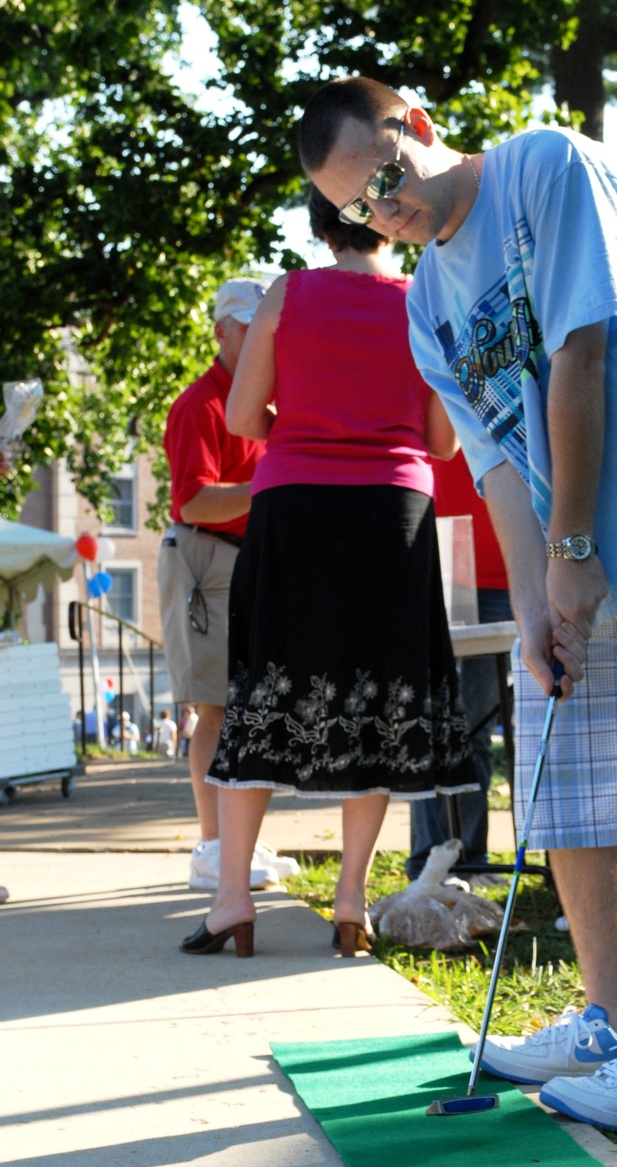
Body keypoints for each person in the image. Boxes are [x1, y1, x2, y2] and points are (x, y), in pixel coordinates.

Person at [300, 77, 617, 1129]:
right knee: (559, 768)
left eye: (386, 181)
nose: (383, 213)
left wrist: (571, 546)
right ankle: (607, 1020)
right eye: (358, 209)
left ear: (420, 127)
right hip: (588, 557)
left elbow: (578, 357)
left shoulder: (546, 170)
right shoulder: (428, 303)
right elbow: (493, 465)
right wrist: (536, 601)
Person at [180, 188, 475, 960]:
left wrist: (306, 433)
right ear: (389, 219)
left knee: (263, 687)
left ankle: (233, 899)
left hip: (294, 508)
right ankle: (351, 905)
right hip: (393, 514)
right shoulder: (423, 303)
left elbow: (245, 419)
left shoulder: (289, 294)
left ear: (319, 227)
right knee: (378, 697)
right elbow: (443, 443)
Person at [159, 278, 290, 892]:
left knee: (248, 705)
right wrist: (271, 489)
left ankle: (235, 842)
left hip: (248, 558)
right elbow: (193, 502)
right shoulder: (199, 405)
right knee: (214, 706)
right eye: (248, 323)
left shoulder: (266, 404)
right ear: (221, 331)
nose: (264, 335)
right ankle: (213, 847)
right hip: (207, 559)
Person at [406, 448, 512, 884]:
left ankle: (474, 856)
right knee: (437, 726)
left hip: (514, 567)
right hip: (448, 557)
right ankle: (433, 860)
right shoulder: (431, 378)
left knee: (481, 731)